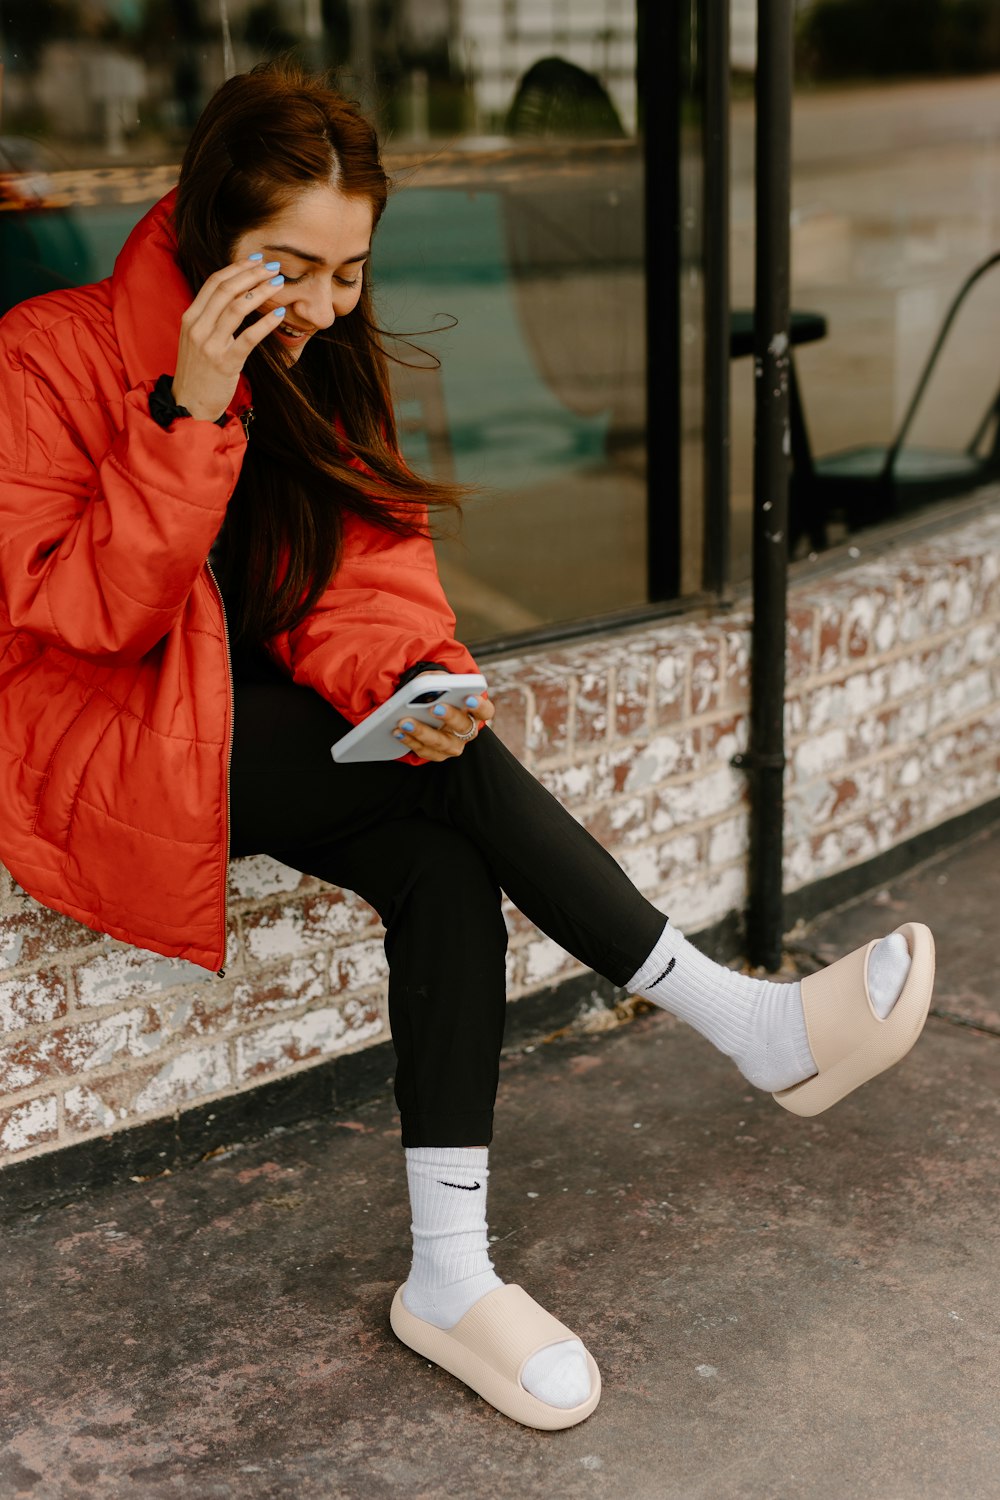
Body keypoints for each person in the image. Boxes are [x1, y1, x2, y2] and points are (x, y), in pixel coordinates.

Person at [0, 63, 934, 1431]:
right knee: (459, 791)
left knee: (443, 857)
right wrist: (188, 413)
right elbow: (87, 615)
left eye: (351, 270)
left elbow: (366, 578)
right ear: (207, 230)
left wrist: (418, 677)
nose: (325, 304)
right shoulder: (45, 350)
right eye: (291, 267)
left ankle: (450, 1277)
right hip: (91, 741)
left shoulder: (323, 356)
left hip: (250, 730)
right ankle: (740, 1018)